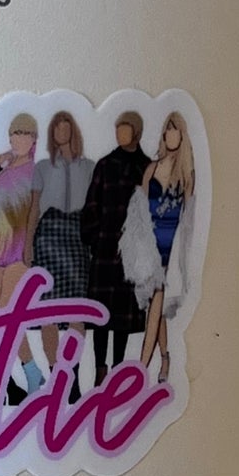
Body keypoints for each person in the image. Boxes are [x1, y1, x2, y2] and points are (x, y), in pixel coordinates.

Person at [0, 114, 47, 400]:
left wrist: (29, 249)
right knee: (11, 319)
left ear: (34, 139)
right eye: (15, 133)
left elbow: (35, 213)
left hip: (18, 250)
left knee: (5, 316)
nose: (18, 139)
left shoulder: (35, 172)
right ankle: (32, 370)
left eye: (25, 133)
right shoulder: (0, 168)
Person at [123, 109, 197, 385]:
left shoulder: (187, 173)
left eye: (176, 129)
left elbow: (189, 219)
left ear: (182, 135)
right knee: (155, 305)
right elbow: (139, 212)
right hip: (150, 246)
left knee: (157, 302)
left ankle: (141, 368)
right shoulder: (151, 168)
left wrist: (183, 257)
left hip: (170, 246)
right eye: (168, 128)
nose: (171, 133)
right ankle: (164, 358)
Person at [79, 106, 150, 387]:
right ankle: (100, 368)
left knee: (122, 315)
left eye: (126, 129)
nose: (121, 134)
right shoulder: (105, 164)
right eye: (118, 129)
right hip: (106, 249)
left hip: (134, 252)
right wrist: (95, 238)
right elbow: (92, 204)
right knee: (101, 314)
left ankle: (118, 368)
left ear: (137, 133)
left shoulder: (146, 167)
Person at [29, 109, 93, 374]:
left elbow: (95, 208)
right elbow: (34, 208)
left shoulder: (89, 167)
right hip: (48, 236)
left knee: (77, 308)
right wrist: (28, 245)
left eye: (66, 127)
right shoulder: (43, 167)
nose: (61, 131)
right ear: (52, 133)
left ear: (73, 131)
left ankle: (72, 372)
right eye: (57, 127)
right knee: (49, 309)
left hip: (77, 236)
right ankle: (55, 370)